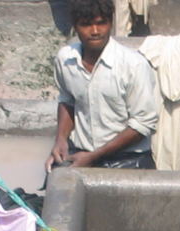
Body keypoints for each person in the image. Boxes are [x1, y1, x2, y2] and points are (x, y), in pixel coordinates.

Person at [45, 0, 158, 172]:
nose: (95, 31)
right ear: (75, 26)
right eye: (86, 25)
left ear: (111, 23)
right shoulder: (65, 59)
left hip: (129, 160)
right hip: (82, 153)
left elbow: (143, 124)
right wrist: (60, 140)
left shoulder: (134, 65)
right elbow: (67, 101)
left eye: (101, 23)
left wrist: (94, 156)